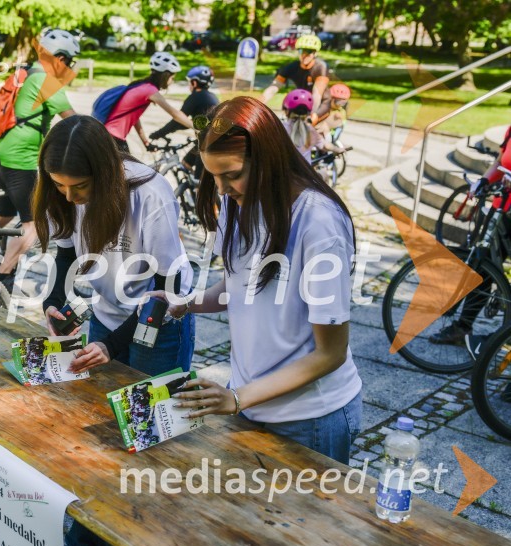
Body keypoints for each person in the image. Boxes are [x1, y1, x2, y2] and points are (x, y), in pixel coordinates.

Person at [158, 97, 363, 465]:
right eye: (213, 176)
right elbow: (237, 289)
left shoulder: (318, 223)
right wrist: (186, 303)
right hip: (251, 404)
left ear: (269, 160)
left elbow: (329, 354)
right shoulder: (238, 205)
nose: (221, 189)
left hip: (309, 418)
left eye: (232, 175)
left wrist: (237, 398)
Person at [34, 115, 195, 376]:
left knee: (150, 409)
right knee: (100, 405)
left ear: (104, 172)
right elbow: (66, 255)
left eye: (80, 186)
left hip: (158, 320)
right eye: (58, 184)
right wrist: (52, 301)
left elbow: (167, 288)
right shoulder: (60, 194)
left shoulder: (150, 194)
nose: (69, 196)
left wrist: (111, 345)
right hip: (106, 313)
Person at [0, 29, 79, 293]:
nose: (69, 68)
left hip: (0, 152)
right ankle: (3, 277)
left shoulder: (28, 72)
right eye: (69, 61)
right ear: (59, 57)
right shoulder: (46, 80)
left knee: (2, 217)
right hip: (20, 160)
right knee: (35, 224)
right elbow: (74, 121)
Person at [433, 125, 511, 348]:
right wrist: (484, 181)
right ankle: (462, 327)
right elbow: (500, 161)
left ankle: (504, 338)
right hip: (502, 209)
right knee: (482, 267)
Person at [102, 52, 193, 153]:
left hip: (106, 135)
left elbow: (134, 117)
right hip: (112, 138)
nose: (172, 81)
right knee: (129, 168)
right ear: (166, 75)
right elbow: (175, 114)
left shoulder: (142, 85)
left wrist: (145, 142)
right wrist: (197, 128)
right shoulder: (150, 91)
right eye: (172, 78)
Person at [149, 65, 219, 177]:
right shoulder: (211, 97)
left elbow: (177, 120)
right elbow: (186, 122)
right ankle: (188, 189)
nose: (189, 85)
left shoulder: (195, 97)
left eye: (190, 82)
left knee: (200, 181)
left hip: (207, 144)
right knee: (186, 163)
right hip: (208, 140)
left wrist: (157, 134)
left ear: (195, 83)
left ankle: (198, 191)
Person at [261, 34, 332, 124]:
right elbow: (273, 88)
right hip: (303, 101)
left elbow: (317, 95)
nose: (304, 55)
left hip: (321, 104)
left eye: (309, 51)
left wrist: (311, 115)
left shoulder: (320, 67)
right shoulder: (292, 67)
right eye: (301, 51)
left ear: (315, 53)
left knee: (311, 123)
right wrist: (257, 104)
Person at [281, 89, 344, 163]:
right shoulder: (311, 131)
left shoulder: (280, 128)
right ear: (308, 113)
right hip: (305, 172)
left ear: (286, 111)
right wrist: (337, 149)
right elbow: (325, 146)